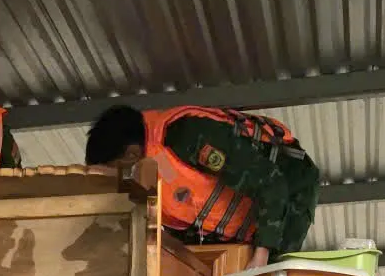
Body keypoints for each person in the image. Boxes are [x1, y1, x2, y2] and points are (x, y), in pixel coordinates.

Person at [85, 104, 319, 266]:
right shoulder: (156, 167)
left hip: (290, 187)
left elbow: (271, 181)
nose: (119, 181)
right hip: (249, 223)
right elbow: (184, 223)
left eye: (116, 172)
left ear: (131, 154)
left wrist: (262, 253)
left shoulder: (189, 136)